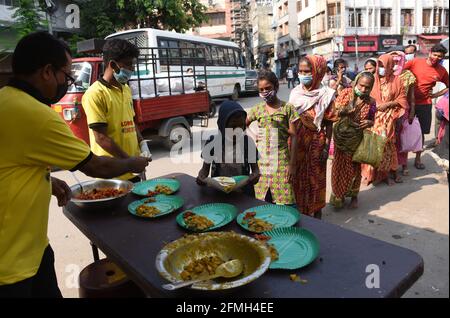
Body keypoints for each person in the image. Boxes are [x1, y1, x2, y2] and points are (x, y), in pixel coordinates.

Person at [0, 32, 150, 298]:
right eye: (66, 76)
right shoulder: (35, 113)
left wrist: (45, 181)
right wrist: (134, 162)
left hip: (31, 249)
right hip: (11, 265)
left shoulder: (6, 101)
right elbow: (96, 168)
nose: (66, 84)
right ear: (47, 71)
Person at [82, 39, 151, 183]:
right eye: (128, 64)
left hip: (133, 173)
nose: (132, 69)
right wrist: (130, 162)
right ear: (113, 65)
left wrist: (142, 142)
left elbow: (130, 121)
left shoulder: (125, 89)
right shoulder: (95, 93)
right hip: (112, 176)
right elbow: (101, 138)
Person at [288, 55, 337, 219]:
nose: (303, 74)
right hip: (296, 143)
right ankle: (301, 211)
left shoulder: (327, 94)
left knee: (316, 179)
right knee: (298, 177)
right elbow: (289, 120)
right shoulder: (295, 93)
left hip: (316, 143)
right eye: (300, 71)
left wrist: (326, 146)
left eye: (307, 71)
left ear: (317, 72)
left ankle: (317, 212)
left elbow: (329, 122)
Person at [246, 70, 298, 205]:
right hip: (262, 162)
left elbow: (294, 137)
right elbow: (242, 124)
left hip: (282, 160)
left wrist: (292, 165)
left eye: (268, 88)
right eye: (261, 89)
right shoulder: (257, 109)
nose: (264, 92)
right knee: (262, 200)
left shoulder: (288, 108)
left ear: (276, 86)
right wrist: (253, 135)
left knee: (285, 201)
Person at [330, 72, 376, 209]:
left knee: (355, 170)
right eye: (361, 85)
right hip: (341, 138)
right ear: (356, 83)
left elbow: (373, 119)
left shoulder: (371, 102)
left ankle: (354, 196)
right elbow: (333, 112)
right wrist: (345, 111)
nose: (363, 90)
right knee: (339, 168)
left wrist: (369, 122)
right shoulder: (346, 94)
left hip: (357, 139)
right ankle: (339, 195)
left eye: (367, 87)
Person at [362, 54, 408, 185]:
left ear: (390, 66)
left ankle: (387, 173)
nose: (381, 68)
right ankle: (371, 174)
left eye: (383, 65)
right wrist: (375, 106)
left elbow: (402, 98)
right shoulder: (372, 80)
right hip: (373, 116)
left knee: (387, 145)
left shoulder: (397, 80)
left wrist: (387, 104)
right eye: (379, 65)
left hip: (389, 117)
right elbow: (364, 96)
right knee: (373, 145)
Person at [197, 101, 260, 196]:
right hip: (219, 194)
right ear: (222, 125)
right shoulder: (212, 143)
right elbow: (204, 171)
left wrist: (255, 176)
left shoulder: (248, 143)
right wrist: (201, 178)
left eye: (241, 125)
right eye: (233, 126)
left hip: (243, 194)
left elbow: (255, 170)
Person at [404, 43, 449, 170]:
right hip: (407, 103)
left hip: (425, 104)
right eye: (435, 55)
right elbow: (399, 74)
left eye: (440, 56)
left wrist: (435, 95)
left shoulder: (441, 71)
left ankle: (418, 159)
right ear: (430, 53)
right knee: (404, 131)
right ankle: (403, 162)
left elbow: (448, 86)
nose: (437, 58)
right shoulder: (415, 62)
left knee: (421, 133)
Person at [389, 50, 417, 177]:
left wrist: (412, 112)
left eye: (397, 61)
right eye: (393, 60)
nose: (395, 63)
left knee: (402, 139)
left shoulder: (408, 75)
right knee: (390, 140)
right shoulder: (386, 75)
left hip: (403, 111)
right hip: (388, 112)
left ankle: (404, 164)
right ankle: (391, 166)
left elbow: (411, 97)